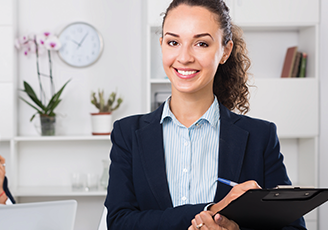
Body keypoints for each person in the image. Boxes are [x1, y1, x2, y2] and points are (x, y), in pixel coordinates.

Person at [104, 0, 306, 229]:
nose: (184, 57)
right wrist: (210, 210)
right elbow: (119, 223)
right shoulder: (128, 134)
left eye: (201, 43)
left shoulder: (260, 136)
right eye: (173, 42)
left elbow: (292, 227)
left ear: (225, 51)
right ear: (161, 45)